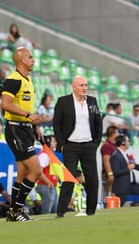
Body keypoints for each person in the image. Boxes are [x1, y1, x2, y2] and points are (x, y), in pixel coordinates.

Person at [1, 47, 43, 222]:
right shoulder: (13, 80)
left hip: (25, 129)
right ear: (21, 60)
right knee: (36, 171)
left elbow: (27, 108)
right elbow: (5, 104)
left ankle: (13, 212)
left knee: (22, 173)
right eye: (30, 57)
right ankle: (16, 210)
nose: (33, 59)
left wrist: (35, 127)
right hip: (15, 129)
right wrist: (27, 116)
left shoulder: (28, 79)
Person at [53, 76, 102, 218]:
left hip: (88, 146)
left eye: (86, 85)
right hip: (71, 146)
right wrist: (62, 144)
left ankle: (91, 211)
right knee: (69, 178)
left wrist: (96, 143)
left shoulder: (92, 101)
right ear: (74, 87)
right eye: (81, 85)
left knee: (92, 179)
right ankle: (61, 211)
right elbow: (57, 123)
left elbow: (98, 122)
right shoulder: (63, 101)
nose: (84, 88)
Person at [110, 134, 139, 206]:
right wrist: (128, 168)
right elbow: (116, 172)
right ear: (123, 143)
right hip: (122, 187)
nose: (129, 143)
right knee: (118, 207)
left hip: (131, 184)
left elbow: (134, 165)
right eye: (127, 141)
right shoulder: (116, 156)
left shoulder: (125, 154)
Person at [36, 135, 59, 214]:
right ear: (48, 142)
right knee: (46, 211)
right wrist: (48, 182)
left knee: (55, 211)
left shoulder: (49, 154)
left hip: (51, 186)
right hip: (46, 186)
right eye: (54, 141)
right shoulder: (44, 155)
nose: (56, 143)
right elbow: (39, 172)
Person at [100, 125, 118, 196]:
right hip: (108, 174)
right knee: (109, 193)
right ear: (113, 134)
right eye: (117, 132)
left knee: (114, 192)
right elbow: (106, 161)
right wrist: (110, 174)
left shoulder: (114, 145)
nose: (118, 134)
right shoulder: (106, 146)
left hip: (114, 172)